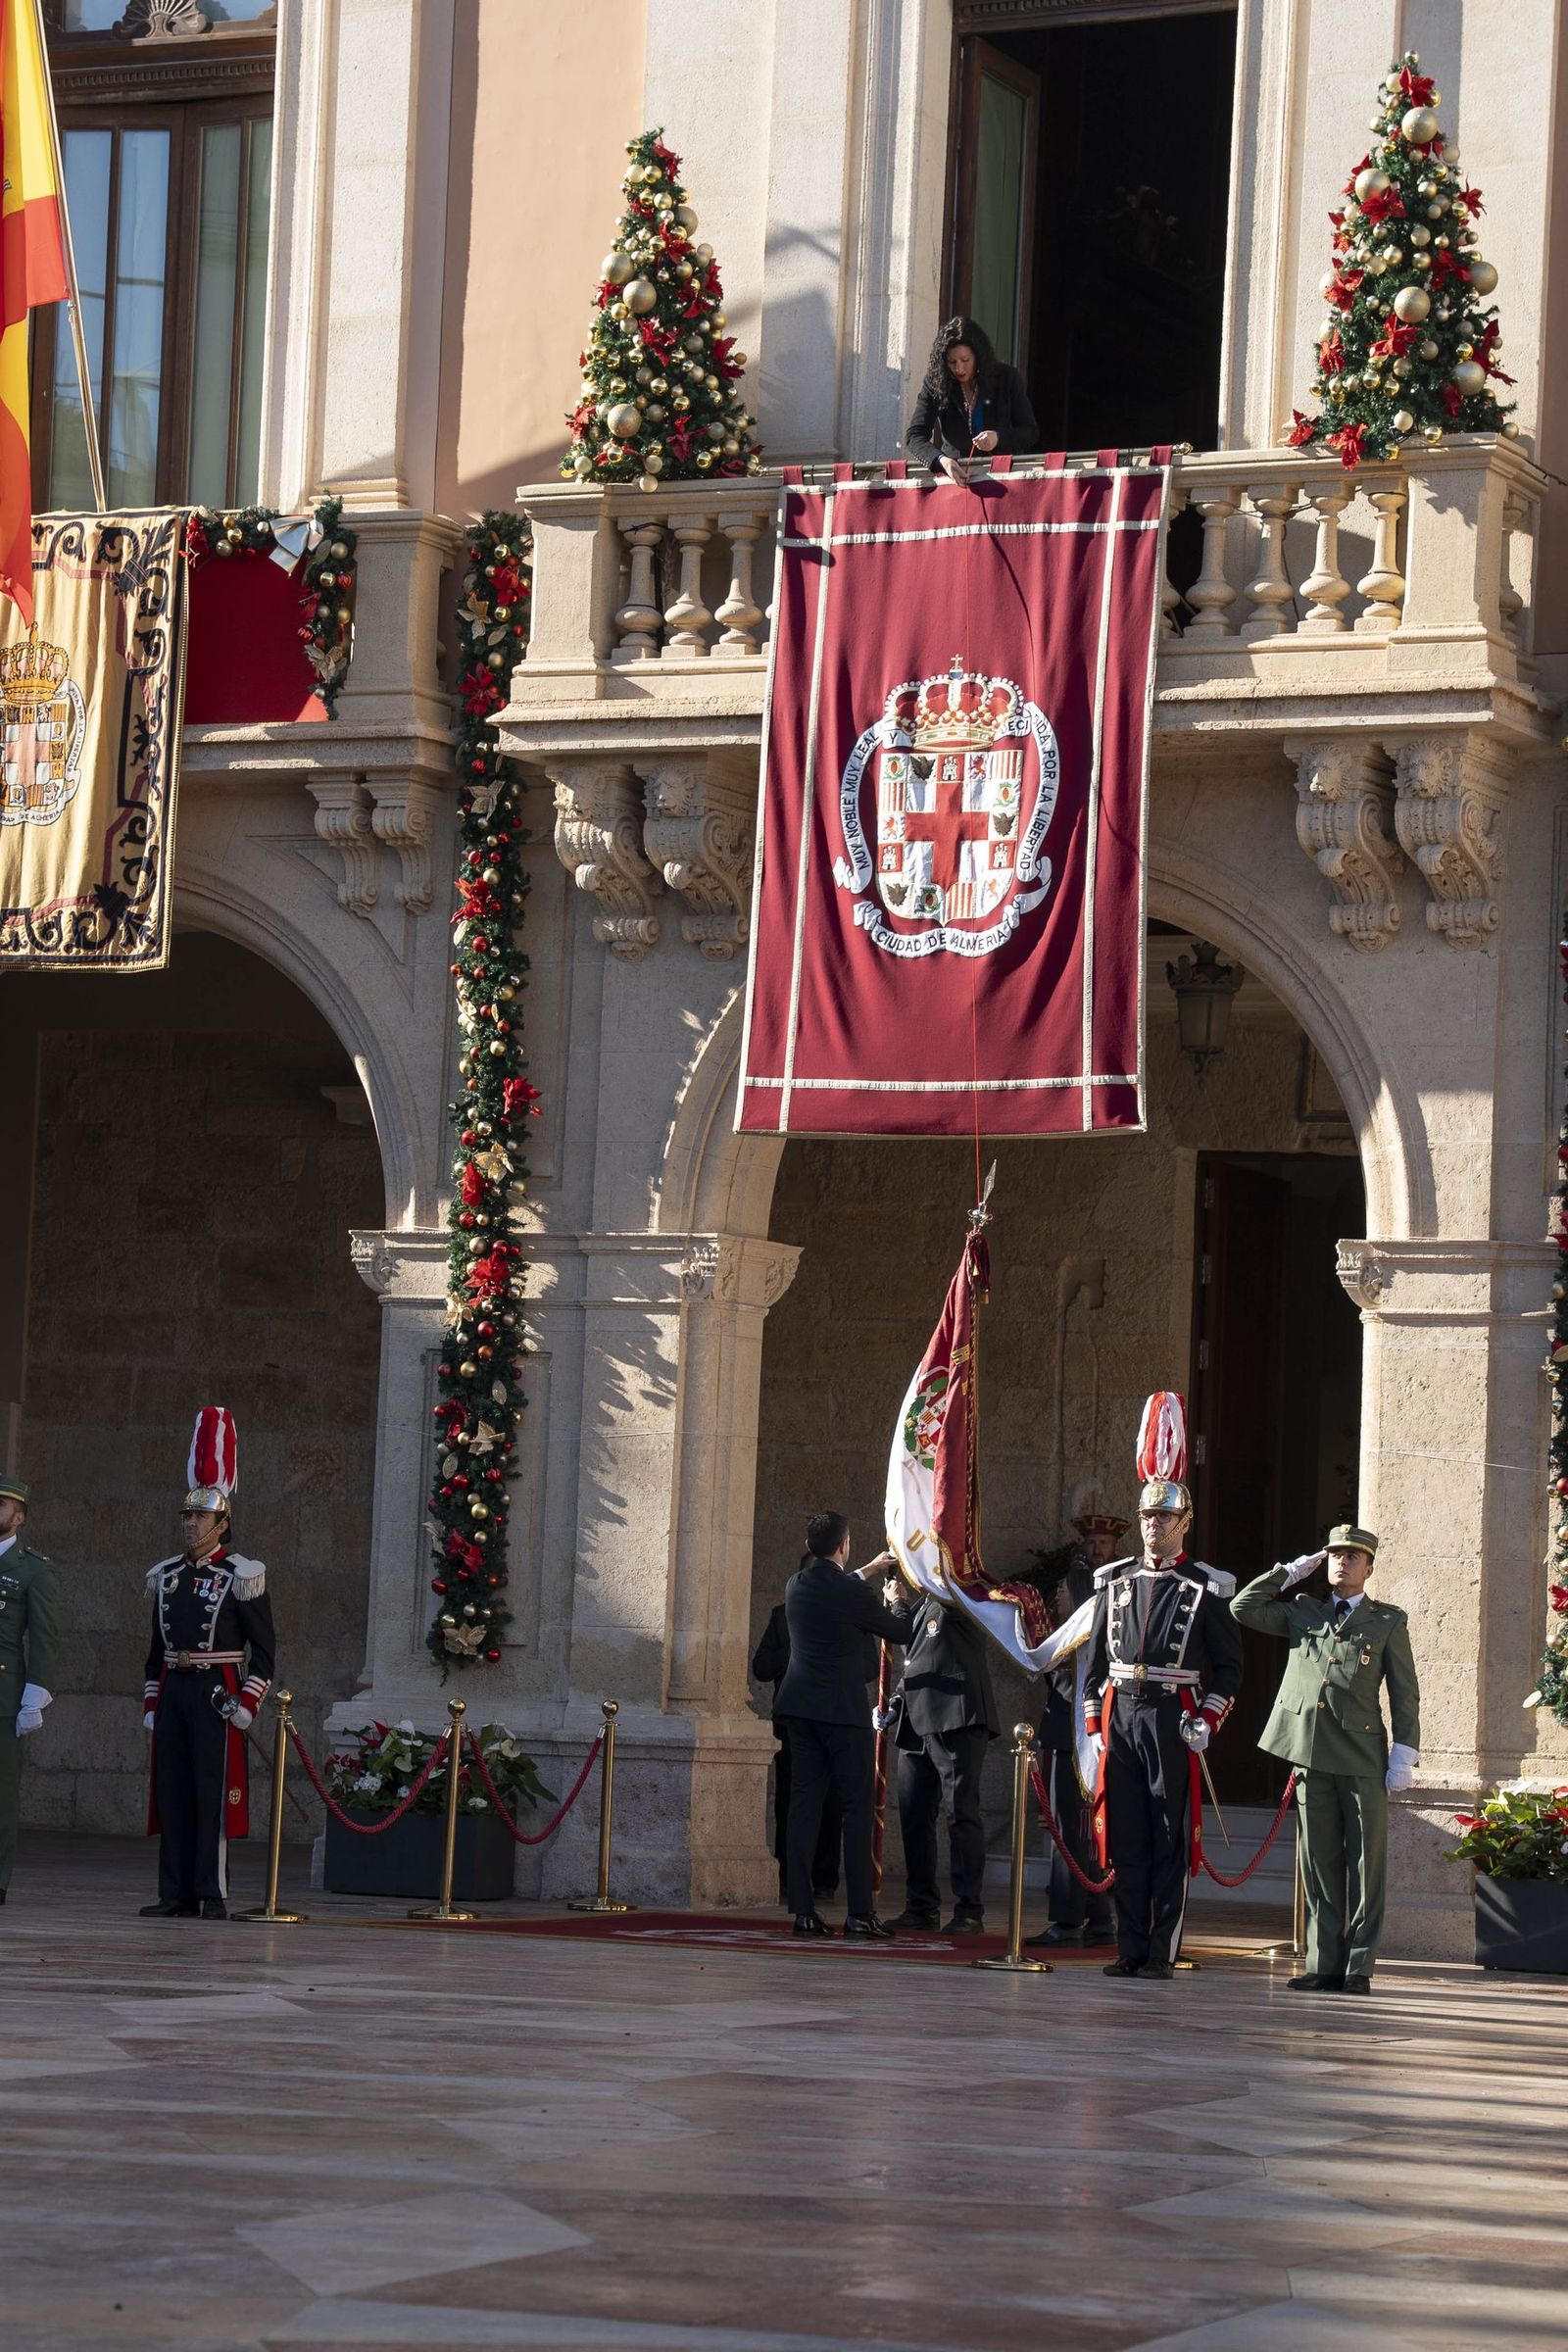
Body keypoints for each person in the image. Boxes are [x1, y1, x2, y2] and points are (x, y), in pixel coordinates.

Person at [1231, 1524, 1420, 1994]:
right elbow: (1243, 1608)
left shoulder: (1387, 1621)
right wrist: (1289, 1572)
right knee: (1318, 1864)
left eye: (1353, 1557)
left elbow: (1404, 1694)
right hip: (1310, 1753)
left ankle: (1358, 1966)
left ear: (1369, 1568)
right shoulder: (1303, 1611)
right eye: (1335, 1554)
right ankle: (1323, 1963)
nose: (1342, 1562)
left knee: (1363, 1864)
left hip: (1360, 1756)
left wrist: (1404, 1753)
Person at [1086, 1461, 1244, 1981]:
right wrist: (1093, 1733)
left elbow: (1230, 1668)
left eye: (1164, 1517)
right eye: (1148, 1516)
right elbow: (1092, 1668)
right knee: (1127, 1838)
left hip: (1172, 1716)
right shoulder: (1116, 1581)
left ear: (1184, 1523)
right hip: (1123, 1716)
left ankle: (1161, 1950)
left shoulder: (1205, 1587)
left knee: (1168, 1835)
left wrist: (1209, 1719)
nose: (1153, 1525)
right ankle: (1129, 1946)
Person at [141, 1410, 274, 1921]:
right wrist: (153, 1698)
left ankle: (211, 1891)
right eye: (185, 1517)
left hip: (217, 1690)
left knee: (210, 1793)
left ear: (223, 1524)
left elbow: (264, 1651)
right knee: (173, 1790)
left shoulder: (243, 1576)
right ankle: (174, 1892)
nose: (189, 1524)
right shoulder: (167, 1576)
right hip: (176, 1687)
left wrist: (248, 1702)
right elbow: (156, 1649)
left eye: (199, 1518)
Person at [776, 1511, 920, 1939]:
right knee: (856, 1810)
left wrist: (869, 1570)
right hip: (842, 1714)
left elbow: (837, 1585)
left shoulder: (796, 1585)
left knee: (803, 1808)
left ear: (809, 1545)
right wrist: (894, 1595)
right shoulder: (851, 1593)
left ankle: (802, 1911)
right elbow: (901, 1631)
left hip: (799, 1710)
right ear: (845, 1545)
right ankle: (860, 1912)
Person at [1022, 1523, 1124, 1948]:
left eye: (1063, 1590)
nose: (1057, 1597)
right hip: (1081, 1742)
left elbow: (1043, 1667)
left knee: (1069, 1831)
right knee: (1086, 1832)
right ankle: (1100, 1919)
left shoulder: (1074, 1642)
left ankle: (1067, 1919)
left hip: (1072, 1742)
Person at [883, 1583, 1000, 1935]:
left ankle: (969, 1910)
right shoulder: (921, 1605)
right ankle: (921, 1906)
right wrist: (893, 1703)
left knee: (959, 1813)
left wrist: (899, 1604)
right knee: (914, 1816)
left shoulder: (958, 1596)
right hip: (916, 1722)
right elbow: (917, 1661)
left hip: (955, 1719)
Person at [752, 1565, 851, 1908]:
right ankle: (790, 1877)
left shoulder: (843, 1615)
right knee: (791, 1801)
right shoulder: (782, 1617)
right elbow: (761, 1667)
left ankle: (824, 1879)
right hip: (792, 1721)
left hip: (833, 1718)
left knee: (831, 1800)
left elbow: (862, 1665)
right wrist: (796, 1649)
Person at [0, 1474, 56, 1908]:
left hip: (3, 1694)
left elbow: (43, 1636)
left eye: (2, 1505)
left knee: (2, 1793)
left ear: (18, 1517)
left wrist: (34, 1694)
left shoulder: (32, 1568)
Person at [906, 315, 1040, 479]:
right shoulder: (937, 382)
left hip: (1001, 476)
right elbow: (914, 436)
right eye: (952, 362)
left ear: (978, 356)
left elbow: (1030, 432)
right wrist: (941, 460)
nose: (959, 368)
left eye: (965, 360)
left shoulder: (1006, 377)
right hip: (955, 476)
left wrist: (998, 438)